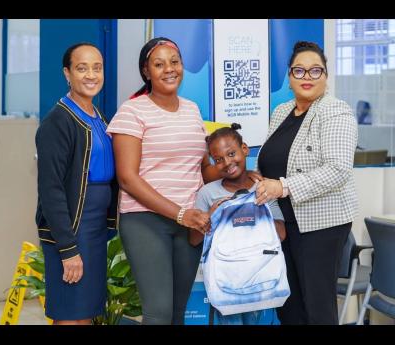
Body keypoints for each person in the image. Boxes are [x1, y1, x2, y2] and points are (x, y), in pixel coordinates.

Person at [106, 37, 221, 325]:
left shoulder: (192, 109)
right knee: (158, 312)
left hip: (191, 222)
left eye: (175, 62)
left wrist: (233, 169)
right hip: (146, 220)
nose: (169, 69)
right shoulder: (131, 111)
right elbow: (128, 178)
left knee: (177, 313)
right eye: (159, 64)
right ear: (147, 71)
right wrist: (180, 214)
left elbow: (201, 169)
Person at [254, 41, 359, 325]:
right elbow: (268, 162)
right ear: (289, 77)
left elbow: (338, 170)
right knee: (288, 307)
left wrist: (283, 186)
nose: (307, 77)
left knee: (317, 309)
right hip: (282, 225)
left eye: (316, 71)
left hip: (320, 226)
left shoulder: (335, 111)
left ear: (326, 76)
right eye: (299, 71)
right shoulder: (281, 112)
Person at [35, 42, 118, 325]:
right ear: (67, 73)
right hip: (72, 230)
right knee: (70, 314)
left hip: (94, 230)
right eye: (82, 68)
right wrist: (68, 248)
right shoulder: (58, 121)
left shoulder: (99, 117)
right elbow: (51, 190)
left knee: (85, 313)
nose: (91, 75)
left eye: (97, 68)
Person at [195, 123, 286, 325]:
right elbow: (193, 239)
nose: (227, 163)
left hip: (263, 284)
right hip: (227, 286)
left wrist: (253, 210)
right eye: (218, 160)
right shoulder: (208, 194)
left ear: (244, 149)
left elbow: (281, 234)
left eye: (231, 153)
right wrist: (211, 215)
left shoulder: (263, 188)